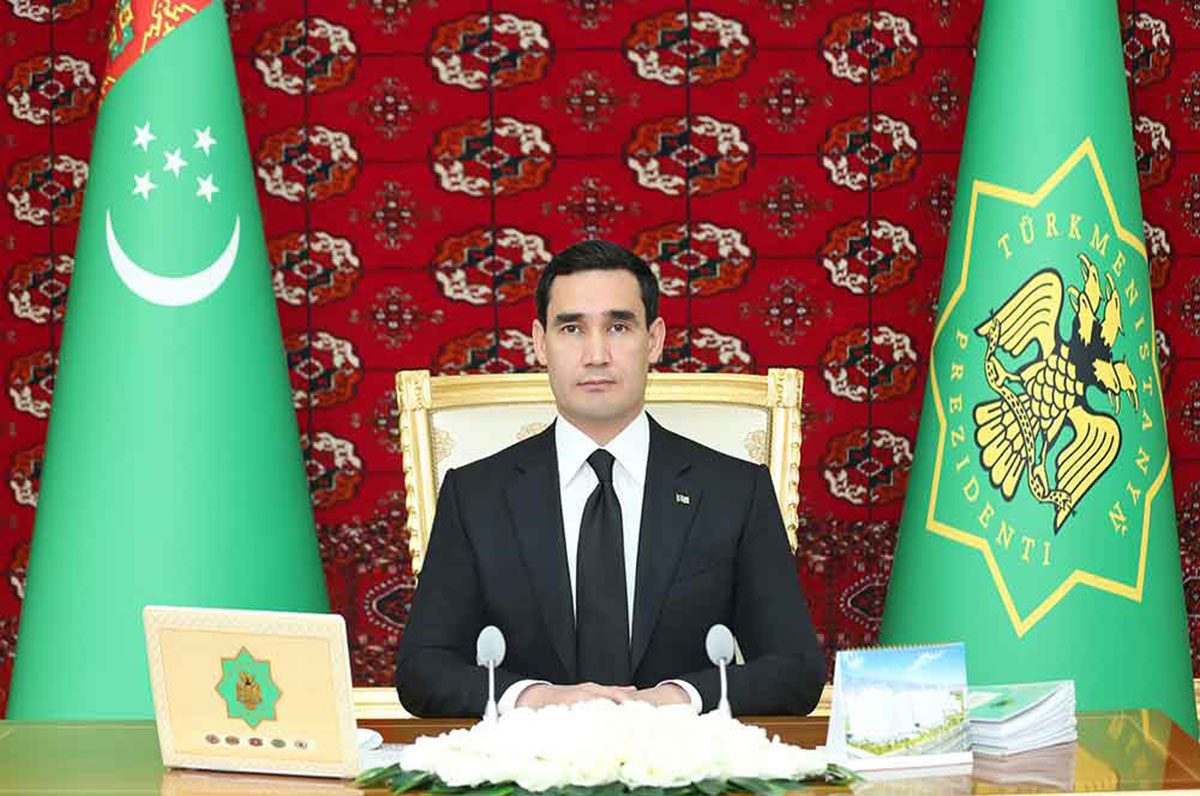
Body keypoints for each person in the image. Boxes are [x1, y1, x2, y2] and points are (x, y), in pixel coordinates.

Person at [395, 240, 825, 717]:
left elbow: (796, 669)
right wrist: (538, 699)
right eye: (572, 329)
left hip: (680, 754)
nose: (596, 354)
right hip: (528, 756)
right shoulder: (475, 495)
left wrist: (676, 698)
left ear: (654, 339)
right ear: (540, 343)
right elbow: (422, 670)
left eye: (618, 327)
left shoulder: (734, 492)